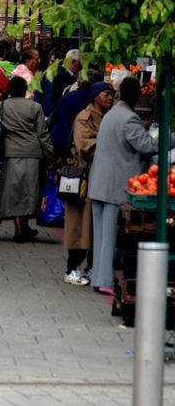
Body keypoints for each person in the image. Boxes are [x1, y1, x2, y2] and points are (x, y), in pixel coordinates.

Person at [88, 75, 159, 293]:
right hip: (114, 185)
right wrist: (168, 137)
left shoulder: (111, 115)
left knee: (100, 236)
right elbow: (147, 145)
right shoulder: (129, 118)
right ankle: (106, 281)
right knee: (109, 237)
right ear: (136, 96)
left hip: (100, 183)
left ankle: (98, 278)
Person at [63, 82, 114, 286]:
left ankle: (91, 268)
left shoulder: (107, 117)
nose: (109, 98)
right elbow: (85, 145)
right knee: (79, 226)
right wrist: (110, 142)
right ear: (95, 97)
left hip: (98, 176)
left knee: (92, 227)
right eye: (105, 94)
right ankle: (72, 268)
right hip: (84, 178)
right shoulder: (85, 117)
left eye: (111, 94)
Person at [0, 76, 54, 242]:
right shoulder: (35, 107)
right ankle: (24, 227)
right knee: (29, 190)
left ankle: (19, 228)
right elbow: (42, 133)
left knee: (14, 192)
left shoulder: (2, 107)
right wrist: (51, 155)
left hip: (10, 152)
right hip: (33, 153)